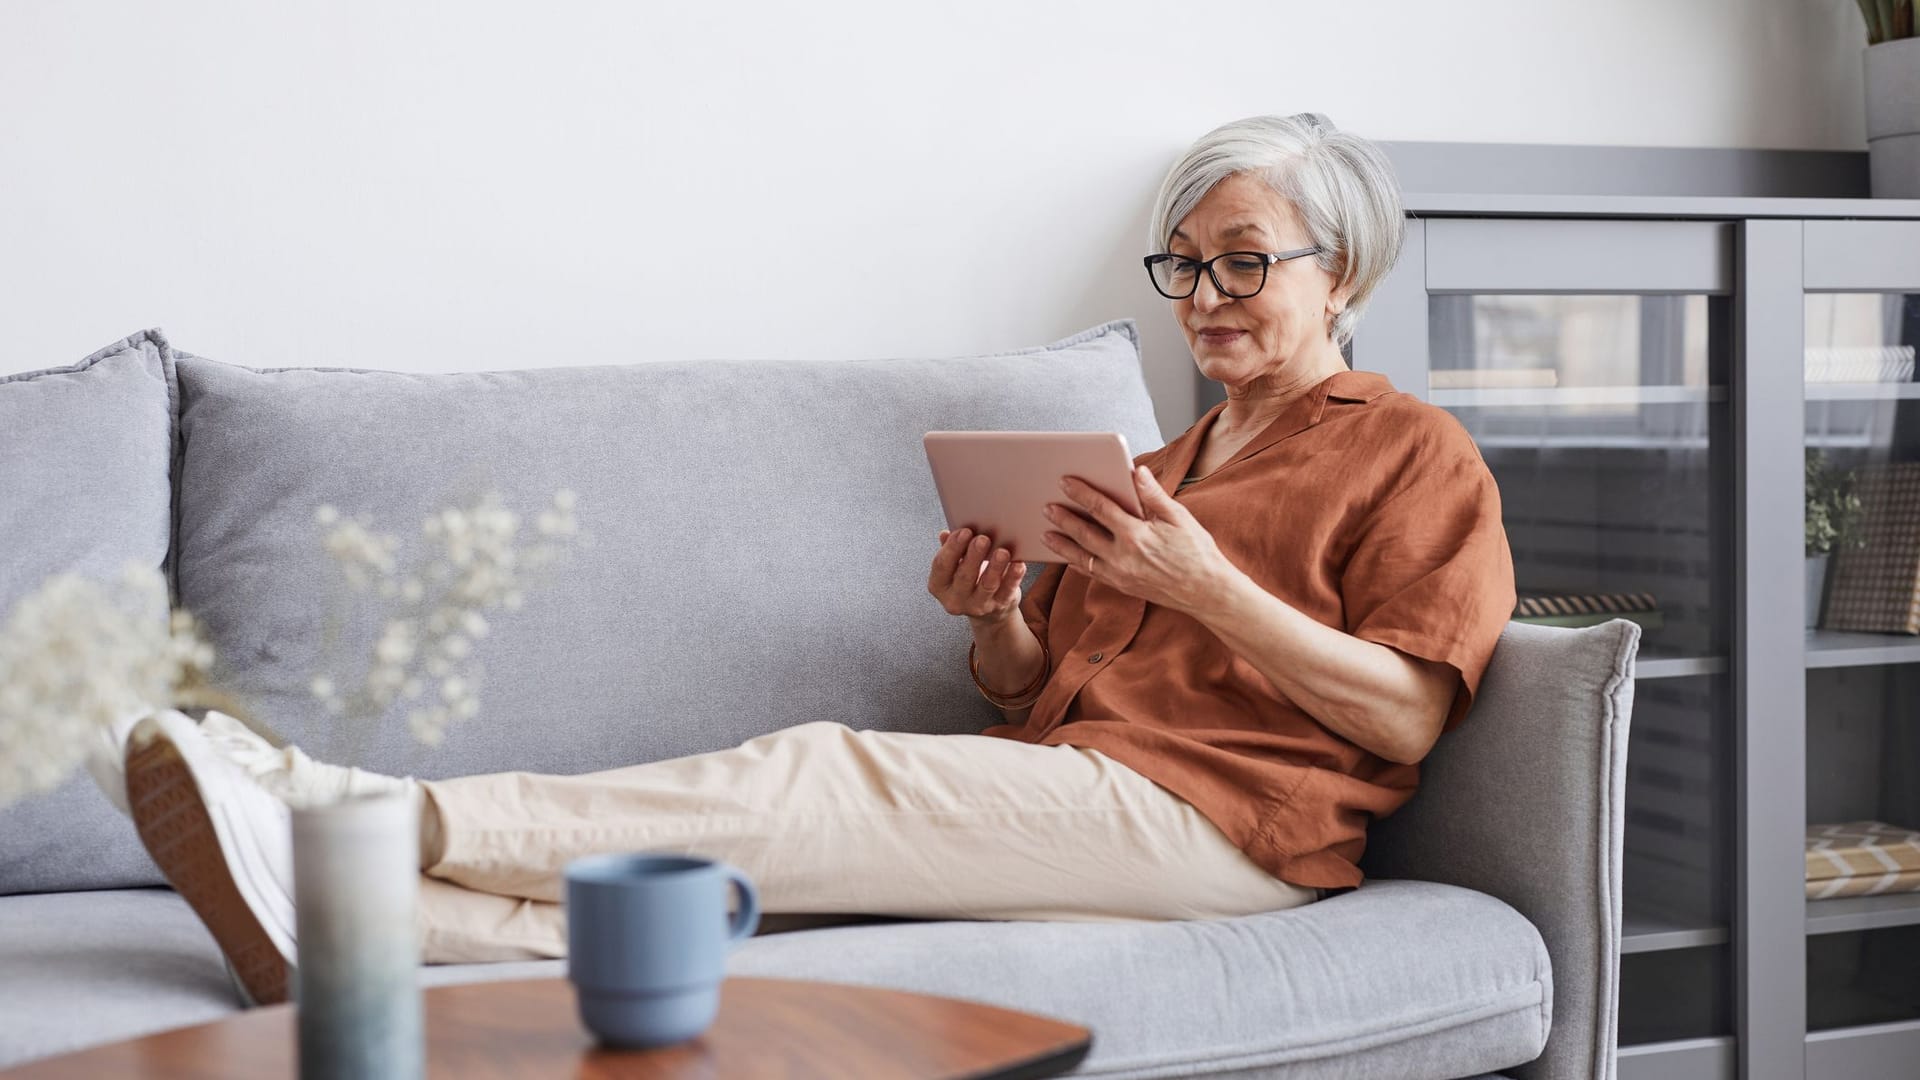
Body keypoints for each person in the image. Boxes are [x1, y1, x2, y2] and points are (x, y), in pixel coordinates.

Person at [119, 112, 1516, 1007]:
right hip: (1082, 788)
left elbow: (1404, 709)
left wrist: (1202, 586)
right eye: (1184, 265)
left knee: (823, 771)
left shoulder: (1410, 451)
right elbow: (1038, 699)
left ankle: (349, 813)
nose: (1204, 297)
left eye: (1244, 262)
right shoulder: (1148, 470)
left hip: (1237, 831)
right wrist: (998, 626)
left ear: (1345, 275)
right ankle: (353, 934)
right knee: (750, 897)